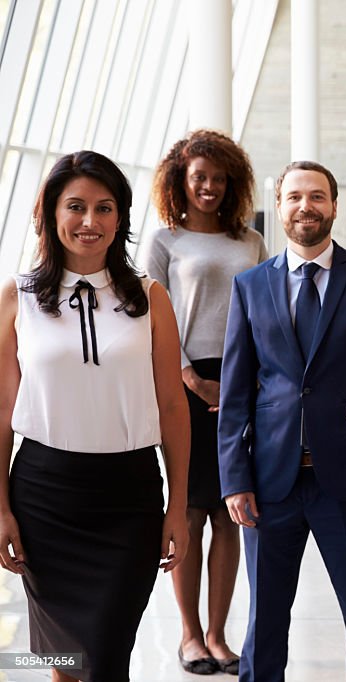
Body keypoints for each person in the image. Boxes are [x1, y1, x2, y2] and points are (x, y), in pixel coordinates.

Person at [0, 150, 190, 682]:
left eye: (104, 208)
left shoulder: (151, 298)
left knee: (104, 657)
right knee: (65, 658)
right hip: (43, 495)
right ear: (50, 215)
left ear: (121, 218)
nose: (90, 222)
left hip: (128, 497)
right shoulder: (20, 296)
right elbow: (0, 409)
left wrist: (177, 507)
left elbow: (174, 406)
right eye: (76, 206)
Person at [218, 161, 346, 682]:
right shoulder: (249, 286)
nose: (305, 207)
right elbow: (235, 393)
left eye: (317, 196)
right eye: (295, 196)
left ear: (334, 206)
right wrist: (235, 479)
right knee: (265, 619)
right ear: (278, 204)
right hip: (271, 482)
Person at [143, 128, 267, 676]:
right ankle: (189, 635)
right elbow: (150, 322)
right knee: (190, 511)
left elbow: (266, 317)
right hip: (185, 383)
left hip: (244, 384)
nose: (210, 187)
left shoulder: (251, 242)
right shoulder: (165, 241)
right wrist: (192, 380)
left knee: (231, 511)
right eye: (200, 178)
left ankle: (219, 635)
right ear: (181, 181)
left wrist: (248, 385)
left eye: (219, 178)